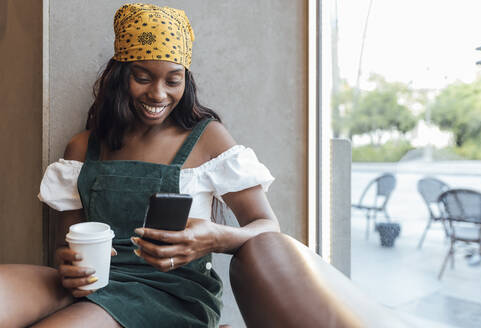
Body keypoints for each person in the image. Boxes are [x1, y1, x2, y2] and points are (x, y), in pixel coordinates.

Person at [0, 4, 279, 327]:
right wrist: (67, 263)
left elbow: (267, 225)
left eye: (173, 81)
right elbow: (66, 247)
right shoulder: (82, 148)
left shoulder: (209, 140)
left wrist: (215, 237)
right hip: (93, 284)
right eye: (143, 77)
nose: (158, 93)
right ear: (120, 76)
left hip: (171, 293)